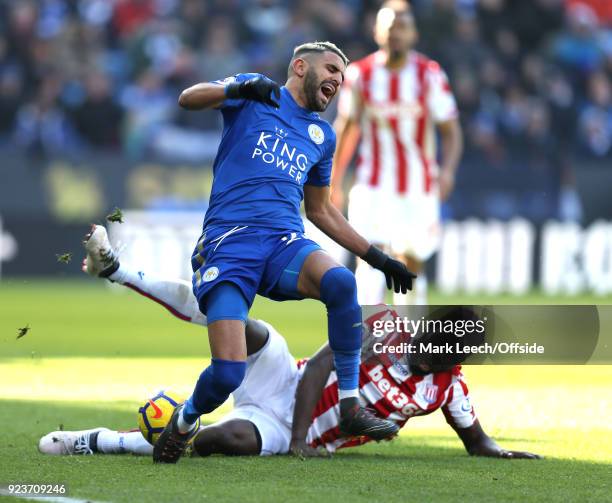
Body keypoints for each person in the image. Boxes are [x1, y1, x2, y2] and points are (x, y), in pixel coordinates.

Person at [96, 40, 418, 464]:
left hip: (283, 243)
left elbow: (320, 210)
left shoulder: (322, 135)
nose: (338, 81)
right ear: (301, 67)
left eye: (342, 75)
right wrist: (240, 90)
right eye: (331, 70)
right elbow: (187, 99)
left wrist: (377, 257)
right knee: (227, 373)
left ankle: (350, 405)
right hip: (229, 245)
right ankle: (186, 420)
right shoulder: (255, 93)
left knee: (341, 282)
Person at [38, 286, 539, 461]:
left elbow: (476, 439)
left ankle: (103, 440)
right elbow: (323, 363)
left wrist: (501, 450)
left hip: (276, 429)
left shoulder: (448, 387)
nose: (439, 354)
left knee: (219, 442)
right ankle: (138, 278)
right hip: (287, 384)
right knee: (250, 328)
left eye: (454, 354)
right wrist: (300, 440)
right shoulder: (384, 323)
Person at [331, 1, 463, 305]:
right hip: (372, 185)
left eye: (402, 27)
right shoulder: (360, 74)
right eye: (390, 27)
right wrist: (334, 180)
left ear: (413, 34)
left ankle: (411, 342)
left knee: (411, 262)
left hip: (417, 186)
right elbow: (346, 129)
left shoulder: (429, 75)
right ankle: (367, 342)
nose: (396, 34)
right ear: (377, 32)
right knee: (369, 259)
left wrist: (448, 171)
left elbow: (451, 130)